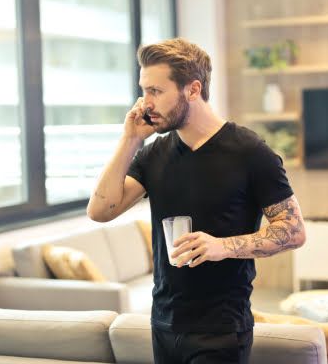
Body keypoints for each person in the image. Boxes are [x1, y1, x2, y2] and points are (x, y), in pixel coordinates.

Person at [87, 38, 306, 364]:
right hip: (163, 323)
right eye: (144, 90)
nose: (145, 103)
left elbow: (294, 230)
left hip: (222, 328)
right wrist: (130, 139)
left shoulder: (249, 152)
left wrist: (222, 246)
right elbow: (100, 210)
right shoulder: (153, 154)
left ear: (193, 89)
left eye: (155, 91)